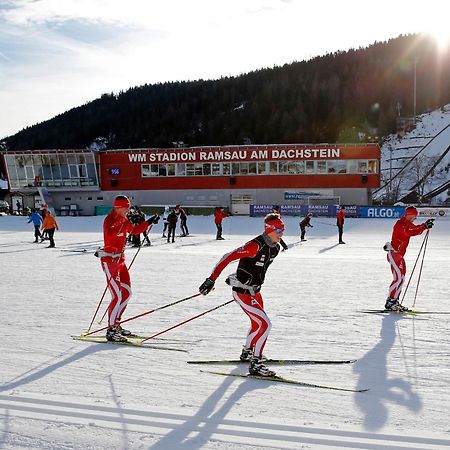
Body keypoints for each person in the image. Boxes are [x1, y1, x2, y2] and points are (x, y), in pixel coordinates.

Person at [199, 213, 285, 377]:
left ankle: (247, 352)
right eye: (279, 230)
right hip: (242, 293)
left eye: (283, 229)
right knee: (265, 324)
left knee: (257, 323)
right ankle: (256, 363)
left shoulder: (275, 248)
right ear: (269, 230)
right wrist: (211, 279)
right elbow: (228, 257)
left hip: (255, 291)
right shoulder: (254, 245)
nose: (282, 233)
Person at [99, 195, 159, 341]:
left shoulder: (124, 219)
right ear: (118, 208)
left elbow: (135, 231)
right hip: (109, 260)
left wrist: (149, 222)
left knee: (126, 293)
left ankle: (117, 324)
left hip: (120, 261)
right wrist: (123, 222)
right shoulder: (110, 220)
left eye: (129, 206)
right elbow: (110, 233)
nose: (128, 209)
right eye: (126, 207)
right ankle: (111, 330)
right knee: (117, 295)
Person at [384, 206, 434, 311]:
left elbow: (414, 229)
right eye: (414, 216)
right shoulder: (400, 224)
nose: (414, 218)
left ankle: (395, 301)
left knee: (401, 279)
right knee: (397, 278)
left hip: (400, 256)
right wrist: (424, 226)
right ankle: (390, 302)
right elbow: (409, 232)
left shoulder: (409, 224)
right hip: (393, 253)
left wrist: (424, 226)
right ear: (409, 214)